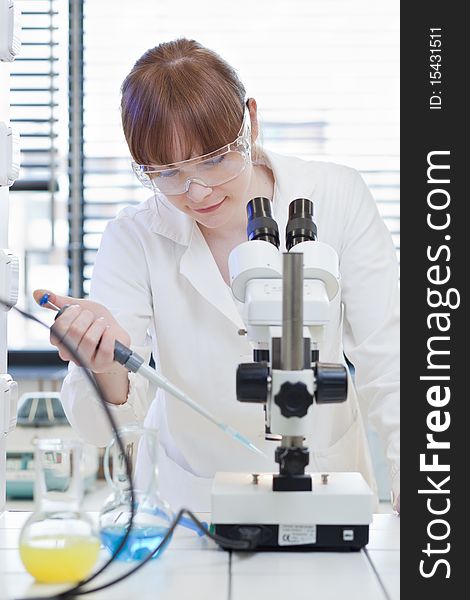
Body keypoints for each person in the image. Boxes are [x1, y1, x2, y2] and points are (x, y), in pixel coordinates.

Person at [35, 38, 400, 513]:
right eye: (168, 172)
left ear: (250, 118)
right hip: (190, 506)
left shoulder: (337, 195)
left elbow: (390, 358)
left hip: (325, 487)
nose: (197, 191)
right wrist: (101, 361)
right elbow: (98, 428)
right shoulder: (134, 238)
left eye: (214, 159)